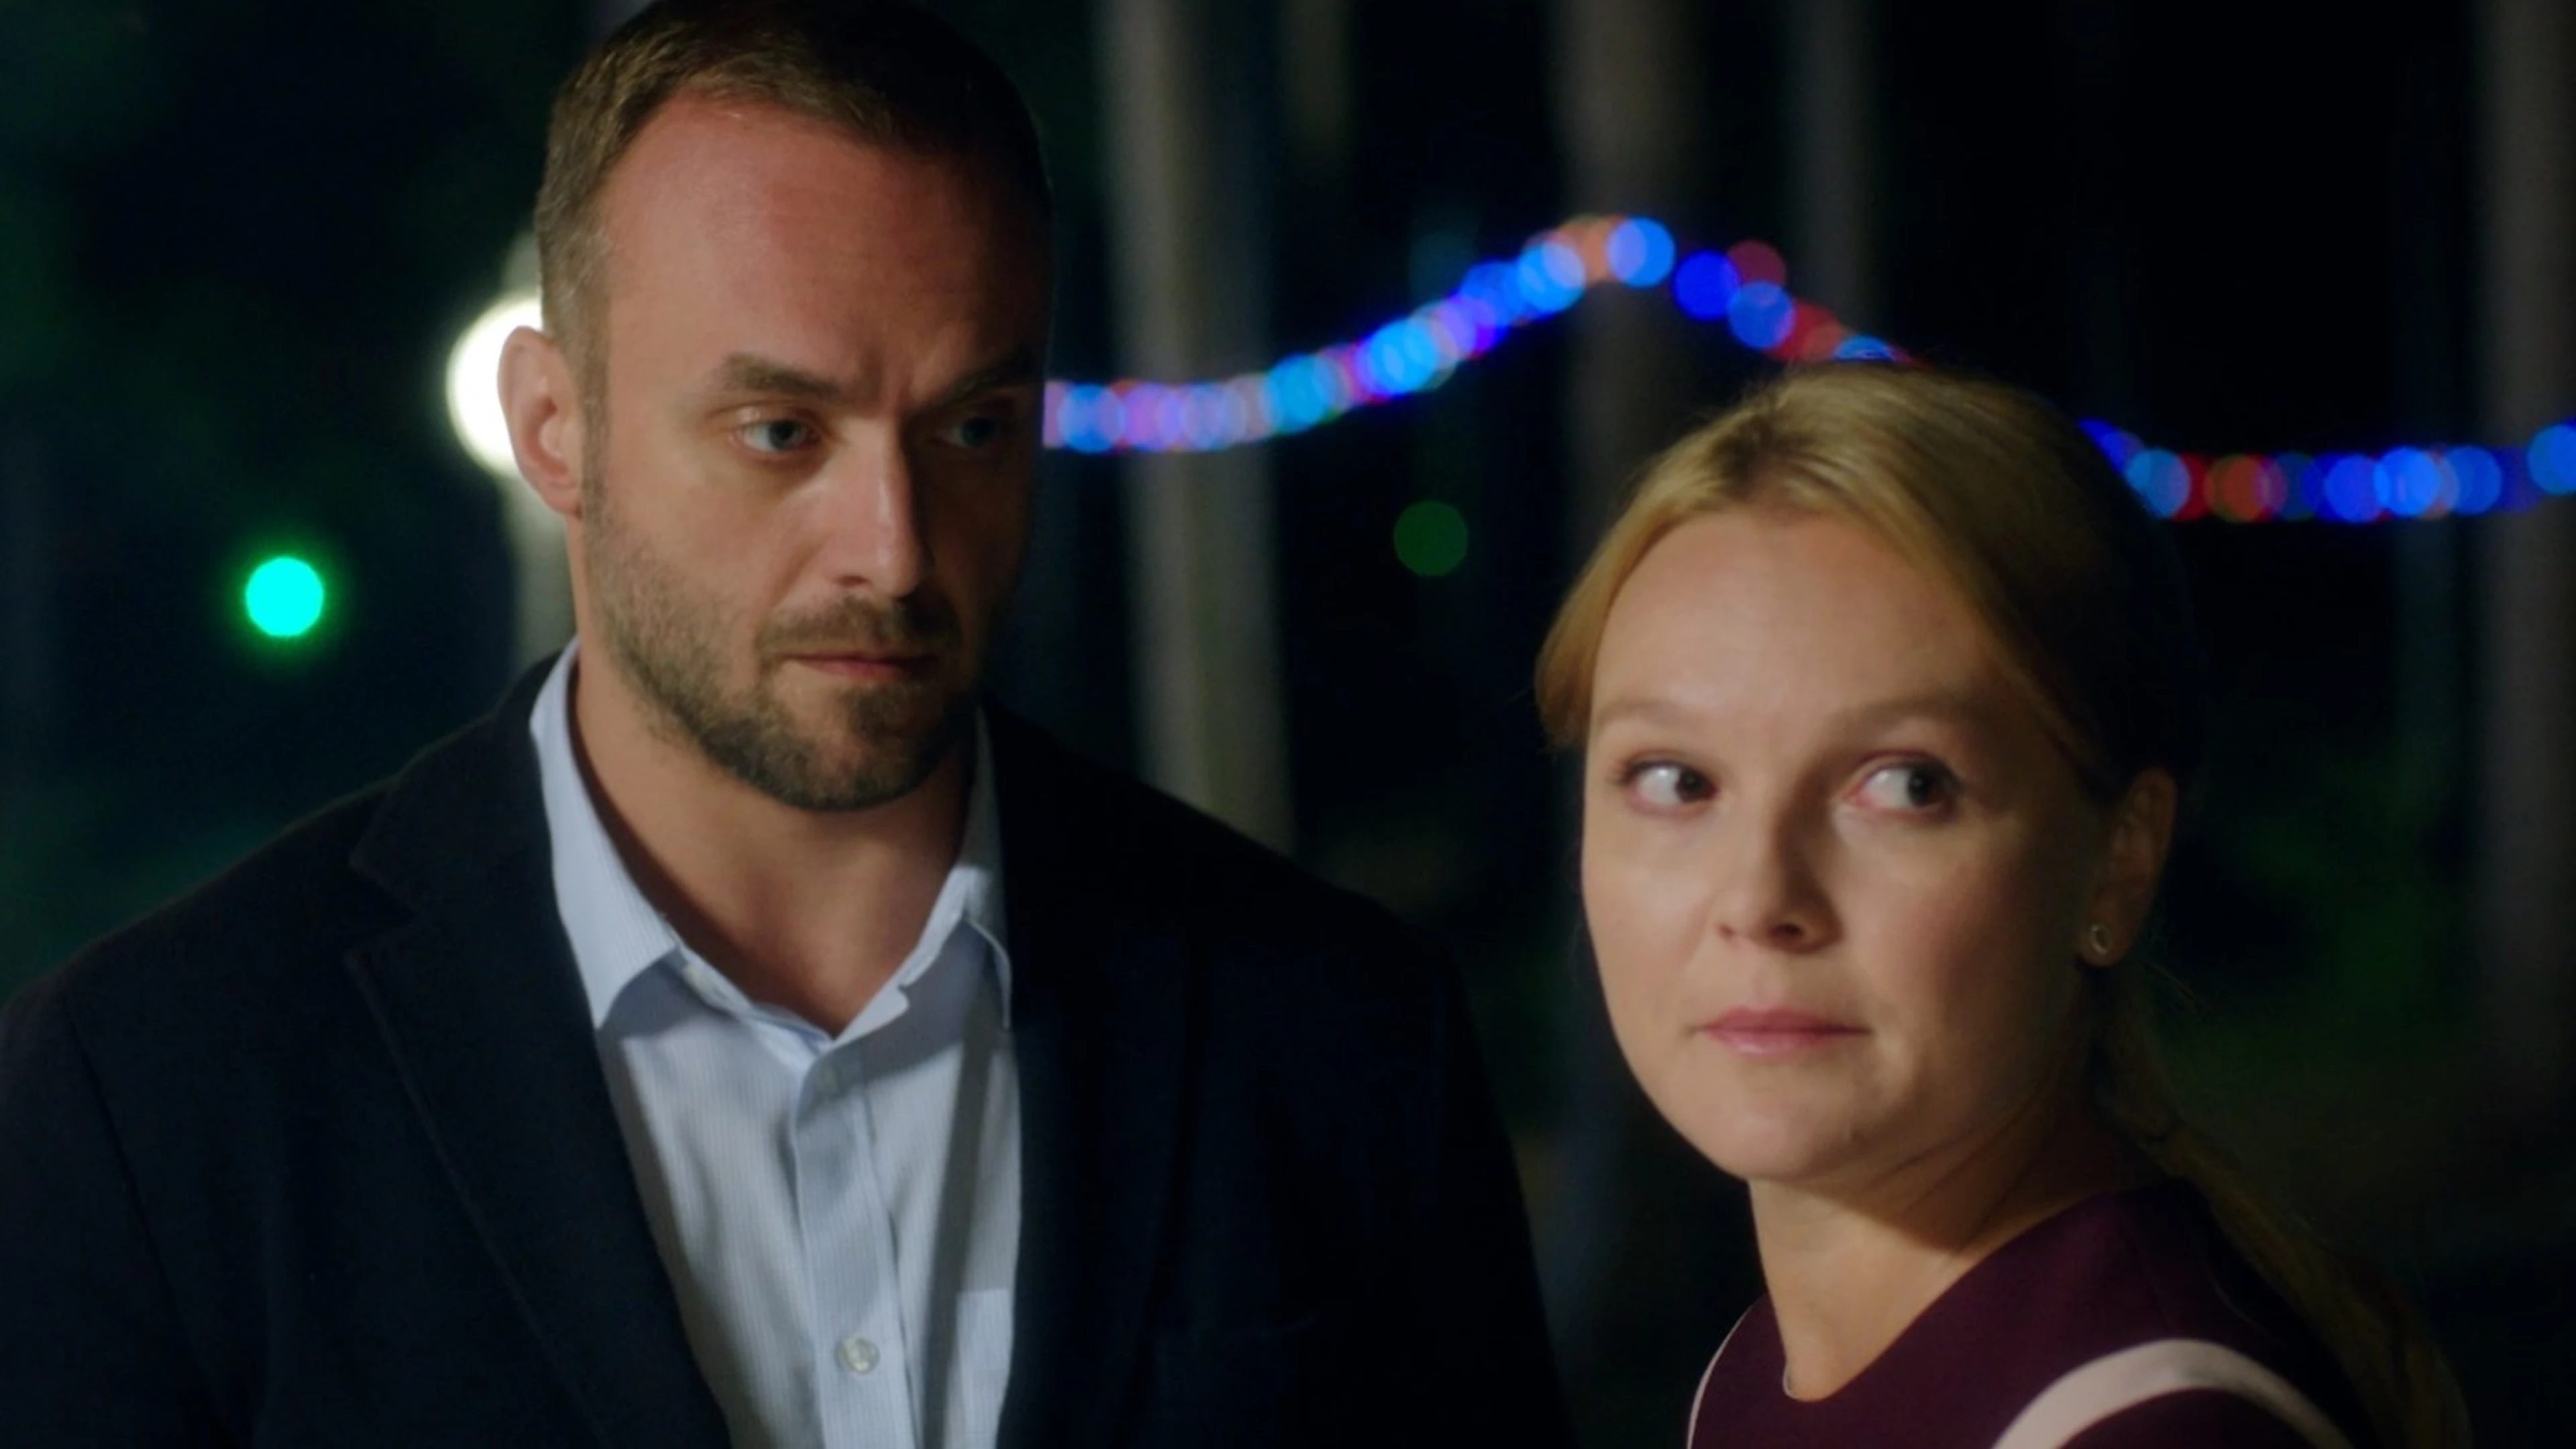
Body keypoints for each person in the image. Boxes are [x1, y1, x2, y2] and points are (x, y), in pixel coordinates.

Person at [0, 3, 1569, 1444]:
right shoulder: (156, 1096)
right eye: (780, 431)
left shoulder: (1337, 1034)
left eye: (971, 427)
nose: (893, 548)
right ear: (554, 427)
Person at [1535, 364, 2469, 1447]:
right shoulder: (1758, 1375)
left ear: (2119, 861)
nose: (1760, 898)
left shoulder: (2160, 1432)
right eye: (1675, 779)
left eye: (1906, 785)